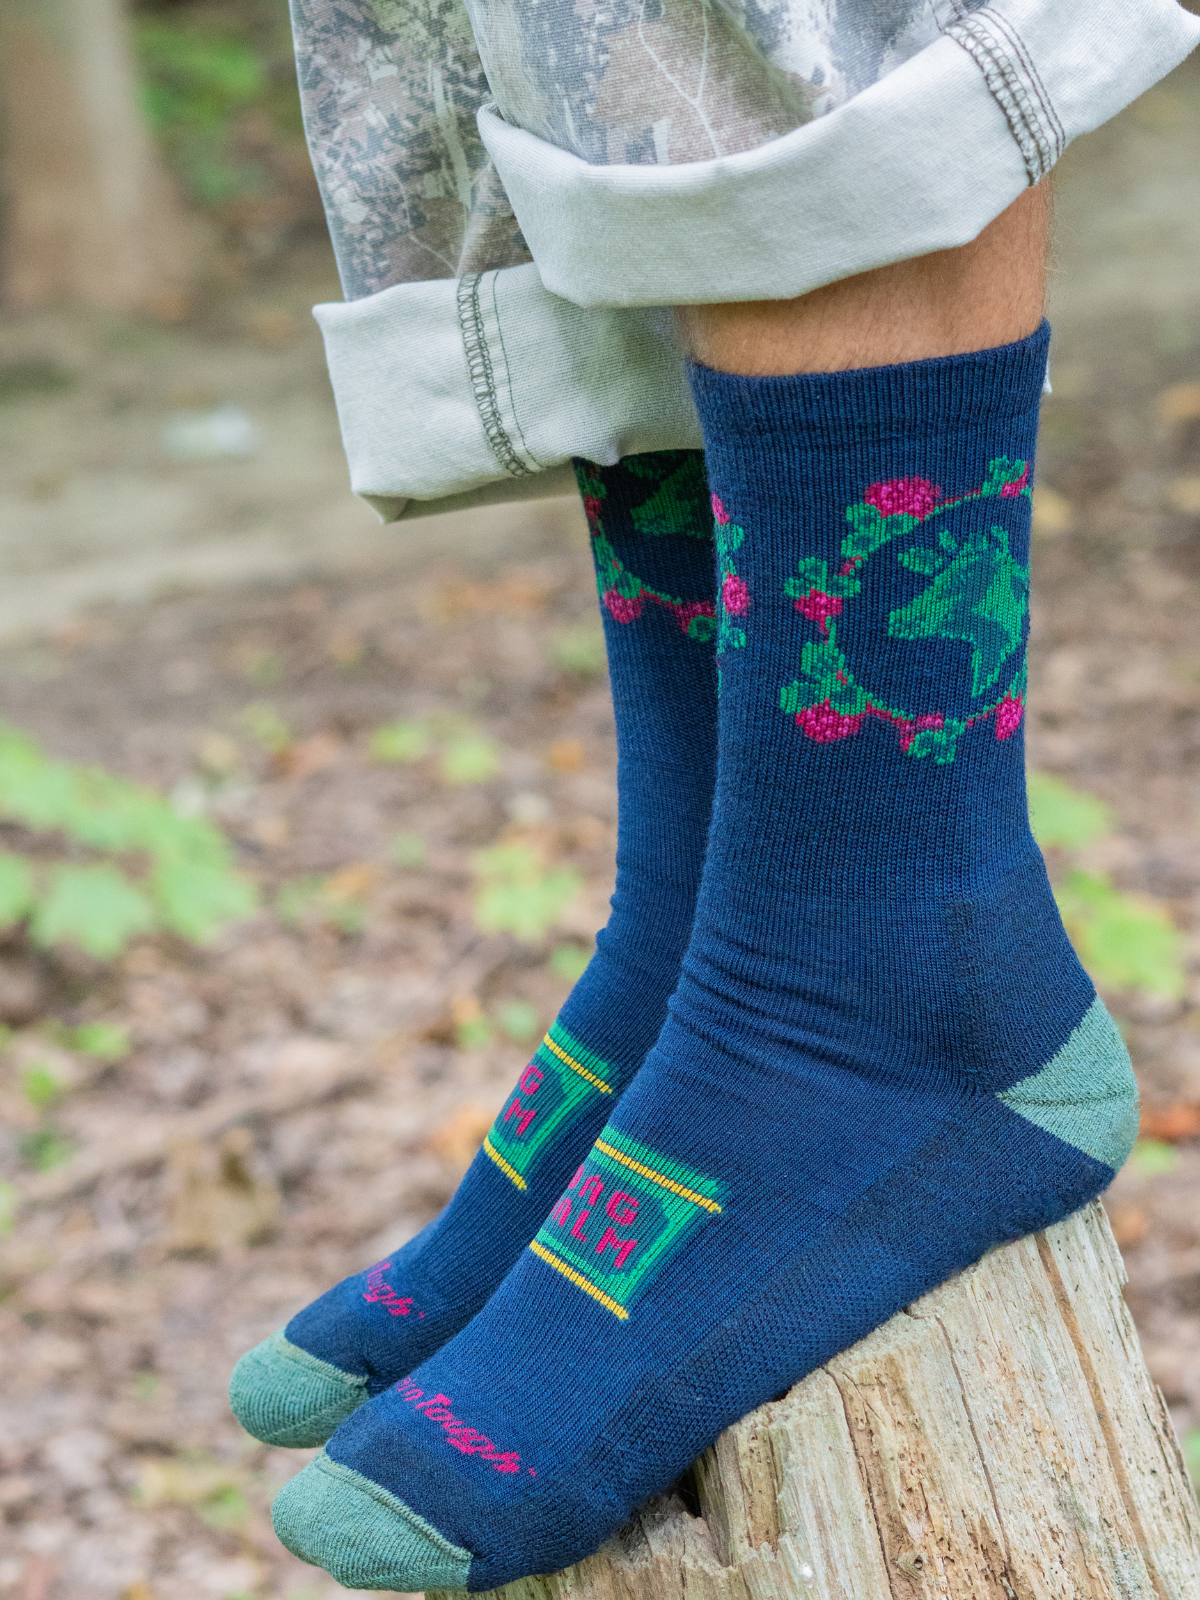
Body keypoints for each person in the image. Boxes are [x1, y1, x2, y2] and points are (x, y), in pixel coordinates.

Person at [230, 0, 1200, 1587]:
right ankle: (717, 935)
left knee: (767, 45)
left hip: (899, 996)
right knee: (576, 64)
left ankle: (871, 966)